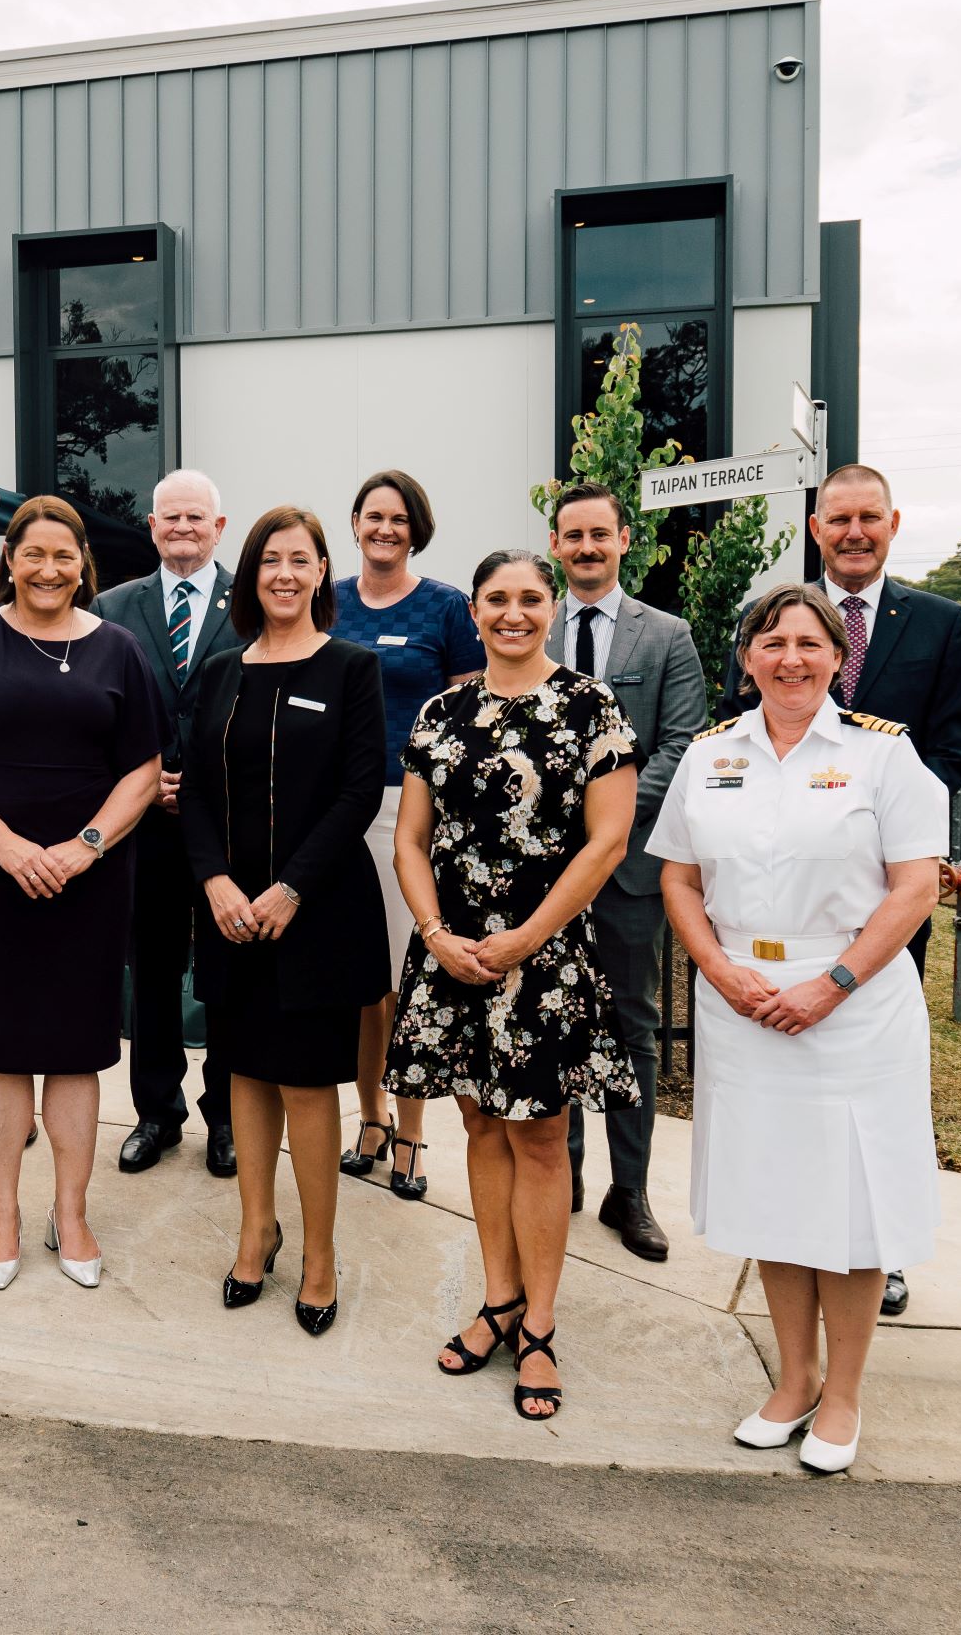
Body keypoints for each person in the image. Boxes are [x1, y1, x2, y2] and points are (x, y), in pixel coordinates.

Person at [651, 585, 947, 1473]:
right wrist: (716, 969)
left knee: (848, 1207)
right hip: (741, 1001)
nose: (789, 658)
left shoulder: (881, 757)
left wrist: (832, 984)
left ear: (835, 658)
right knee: (774, 1198)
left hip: (851, 1009)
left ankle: (844, 1396)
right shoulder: (710, 757)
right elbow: (677, 879)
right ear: (746, 657)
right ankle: (792, 1380)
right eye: (771, 642)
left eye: (807, 643)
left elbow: (915, 887)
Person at [717, 462, 961, 1318]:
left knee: (874, 1087)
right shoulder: (767, 622)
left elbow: (949, 747)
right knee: (784, 1093)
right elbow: (737, 734)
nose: (854, 531)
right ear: (816, 526)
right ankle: (792, 1226)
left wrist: (892, 843)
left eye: (869, 517)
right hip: (779, 896)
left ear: (892, 524)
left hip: (883, 895)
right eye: (839, 519)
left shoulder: (940, 624)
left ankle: (878, 1248)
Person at [385, 550, 640, 1422]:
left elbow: (604, 842)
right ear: (476, 609)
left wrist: (525, 939)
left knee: (540, 1135)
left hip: (544, 952)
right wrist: (434, 935)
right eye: (496, 599)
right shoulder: (440, 711)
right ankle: (496, 1300)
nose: (513, 613)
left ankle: (538, 1324)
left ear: (550, 606)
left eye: (530, 598)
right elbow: (409, 841)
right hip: (450, 950)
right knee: (478, 1120)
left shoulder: (589, 706)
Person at [0, 496, 163, 1290]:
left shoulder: (120, 649)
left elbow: (141, 771)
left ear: (82, 564)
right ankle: (2, 1214)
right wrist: (9, 847)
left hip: (87, 878)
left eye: (64, 556)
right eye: (33, 554)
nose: (49, 569)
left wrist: (84, 846)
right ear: (9, 561)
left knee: (74, 1050)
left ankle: (72, 1211)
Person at [182, 507, 386, 1335]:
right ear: (249, 575)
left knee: (306, 1084)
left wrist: (290, 889)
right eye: (269, 560)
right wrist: (216, 883)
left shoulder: (350, 669)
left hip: (317, 910)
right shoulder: (220, 671)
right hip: (230, 914)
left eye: (300, 560)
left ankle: (320, 1255)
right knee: (242, 1073)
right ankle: (253, 1229)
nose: (283, 575)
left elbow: (358, 791)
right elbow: (190, 788)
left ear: (321, 572)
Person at [544, 481, 708, 1260]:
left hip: (629, 868)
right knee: (553, 1022)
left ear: (622, 540)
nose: (585, 548)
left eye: (598, 535)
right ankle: (562, 1174)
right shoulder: (526, 624)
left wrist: (600, 814)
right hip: (540, 872)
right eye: (571, 536)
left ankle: (629, 1190)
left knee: (630, 1025)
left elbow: (681, 744)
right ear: (554, 545)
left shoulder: (665, 635)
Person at [330, 471, 481, 1202]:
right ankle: (367, 1116)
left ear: (414, 528)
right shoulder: (328, 603)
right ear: (354, 524)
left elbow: (472, 711)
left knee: (409, 979)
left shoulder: (446, 607)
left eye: (397, 519)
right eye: (372, 517)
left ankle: (412, 1133)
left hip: (414, 810)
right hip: (338, 808)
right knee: (361, 981)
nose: (384, 529)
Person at [93, 470, 245, 1176]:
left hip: (229, 827)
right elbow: (99, 713)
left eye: (195, 518)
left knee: (225, 974)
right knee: (150, 972)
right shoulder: (111, 607)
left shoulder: (255, 603)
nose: (182, 529)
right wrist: (141, 781)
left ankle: (226, 1118)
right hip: (144, 827)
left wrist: (209, 785)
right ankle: (156, 1113)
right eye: (169, 518)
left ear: (218, 529)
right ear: (151, 528)